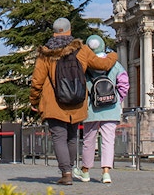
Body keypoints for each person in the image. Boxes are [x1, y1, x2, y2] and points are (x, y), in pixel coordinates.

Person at [29, 17, 118, 186]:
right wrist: (113, 54)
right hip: (77, 101)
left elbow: (37, 81)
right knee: (71, 137)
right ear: (70, 31)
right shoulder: (82, 50)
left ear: (54, 32)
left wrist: (34, 100)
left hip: (54, 103)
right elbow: (102, 65)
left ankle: (66, 173)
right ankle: (69, 168)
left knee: (59, 137)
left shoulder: (46, 53)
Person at [74, 34, 129, 184]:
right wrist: (117, 100)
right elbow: (124, 84)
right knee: (108, 141)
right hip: (111, 108)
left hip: (91, 109)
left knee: (88, 140)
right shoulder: (115, 65)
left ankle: (85, 171)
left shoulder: (86, 66)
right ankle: (106, 173)